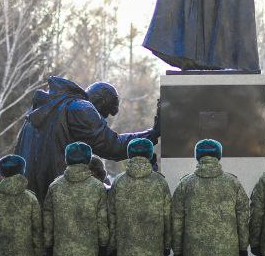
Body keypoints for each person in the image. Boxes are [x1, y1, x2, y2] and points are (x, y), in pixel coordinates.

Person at [15, 77, 158, 203]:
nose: (102, 119)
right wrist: (152, 134)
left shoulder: (49, 106)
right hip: (56, 192)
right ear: (100, 101)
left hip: (32, 191)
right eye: (105, 113)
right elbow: (112, 146)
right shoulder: (81, 108)